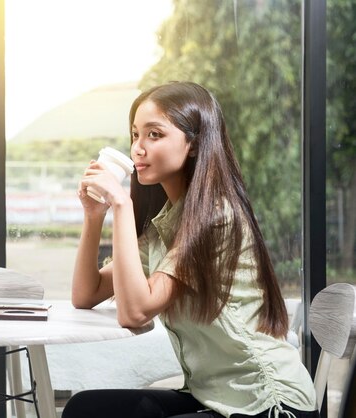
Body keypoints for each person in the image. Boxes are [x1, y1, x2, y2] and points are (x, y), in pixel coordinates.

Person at [63, 81, 318, 418]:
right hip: (211, 396)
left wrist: (122, 204)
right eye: (135, 134)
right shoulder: (167, 223)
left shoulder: (216, 218)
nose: (138, 148)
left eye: (154, 135)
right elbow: (87, 293)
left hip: (268, 403)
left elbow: (135, 312)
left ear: (194, 144)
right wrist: (94, 216)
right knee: (87, 408)